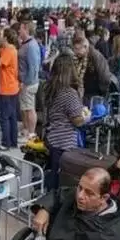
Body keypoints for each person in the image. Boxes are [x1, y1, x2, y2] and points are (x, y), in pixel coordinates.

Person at [42, 55, 90, 189]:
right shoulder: (69, 93)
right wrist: (87, 116)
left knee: (53, 174)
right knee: (61, 181)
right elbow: (78, 121)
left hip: (52, 138)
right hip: (65, 142)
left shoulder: (49, 88)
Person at [71, 34, 115, 104]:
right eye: (74, 49)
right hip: (83, 92)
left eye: (78, 49)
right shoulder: (78, 57)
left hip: (94, 94)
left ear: (85, 47)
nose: (75, 52)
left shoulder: (96, 57)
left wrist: (103, 93)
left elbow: (104, 76)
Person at [17, 20, 42, 142]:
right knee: (25, 108)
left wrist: (25, 82)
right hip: (26, 82)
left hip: (29, 83)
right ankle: (27, 130)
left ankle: (31, 134)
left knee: (29, 108)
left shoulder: (31, 46)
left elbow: (33, 67)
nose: (19, 31)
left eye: (21, 28)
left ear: (26, 29)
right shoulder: (26, 44)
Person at [0, 28, 21, 150]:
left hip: (6, 89)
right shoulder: (12, 49)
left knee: (4, 117)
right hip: (13, 88)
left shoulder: (8, 51)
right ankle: (13, 141)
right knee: (12, 117)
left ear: (5, 38)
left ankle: (6, 143)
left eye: (0, 35)